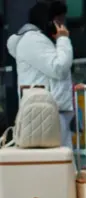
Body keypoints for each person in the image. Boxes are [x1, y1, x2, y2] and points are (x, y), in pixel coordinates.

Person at [6, 0, 74, 148]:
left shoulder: (41, 41)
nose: (62, 26)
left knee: (63, 163)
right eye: (59, 21)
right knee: (56, 163)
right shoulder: (33, 40)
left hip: (51, 111)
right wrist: (63, 39)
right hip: (45, 113)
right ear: (48, 20)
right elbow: (59, 68)